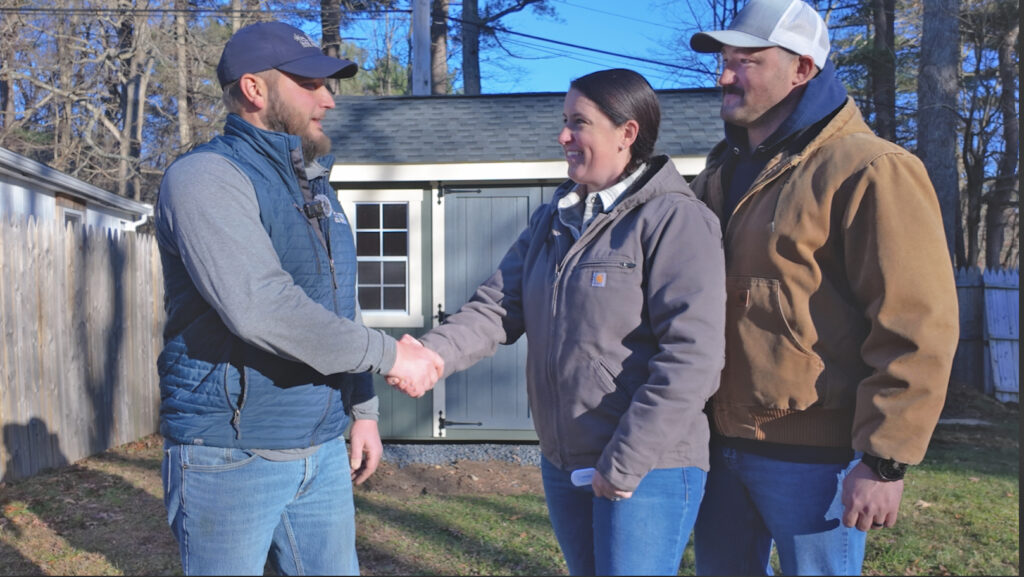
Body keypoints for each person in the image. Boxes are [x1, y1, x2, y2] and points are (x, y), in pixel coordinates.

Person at [154, 21, 442, 576]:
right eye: (311, 84)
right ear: (254, 89)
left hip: (321, 448)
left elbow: (339, 306)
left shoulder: (316, 189)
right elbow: (262, 308)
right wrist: (391, 356)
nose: (328, 100)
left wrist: (362, 411)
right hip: (231, 451)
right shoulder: (206, 179)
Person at [414, 68, 726, 576]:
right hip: (566, 460)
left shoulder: (673, 218)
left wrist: (625, 460)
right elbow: (496, 306)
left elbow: (693, 357)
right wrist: (430, 355)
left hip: (649, 466)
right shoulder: (554, 218)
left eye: (578, 123)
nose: (563, 136)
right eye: (564, 121)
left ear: (627, 133)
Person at [685, 0, 960, 575]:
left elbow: (918, 324)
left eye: (747, 61)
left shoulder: (871, 169)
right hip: (714, 447)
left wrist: (884, 462)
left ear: (803, 69)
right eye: (725, 60)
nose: (725, 75)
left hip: (816, 463)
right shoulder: (720, 171)